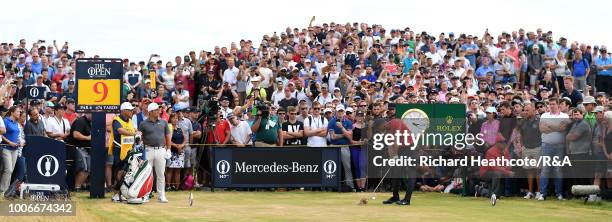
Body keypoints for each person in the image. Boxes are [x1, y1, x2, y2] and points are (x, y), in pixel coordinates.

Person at [138, 102, 171, 203]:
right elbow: (140, 138)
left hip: (161, 150)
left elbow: (168, 136)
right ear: (150, 112)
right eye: (156, 110)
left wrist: (168, 149)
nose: (158, 111)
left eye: (158, 110)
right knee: (146, 174)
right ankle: (146, 194)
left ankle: (161, 195)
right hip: (148, 150)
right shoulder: (143, 123)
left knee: (161, 174)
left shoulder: (164, 122)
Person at [538, 97, 570, 201]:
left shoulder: (564, 116)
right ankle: (542, 193)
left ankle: (559, 194)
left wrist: (550, 126)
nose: (551, 106)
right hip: (546, 145)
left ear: (558, 105)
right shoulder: (544, 115)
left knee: (558, 170)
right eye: (550, 104)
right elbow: (542, 129)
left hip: (559, 146)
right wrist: (556, 127)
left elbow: (563, 128)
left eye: (553, 104)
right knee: (545, 170)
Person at [109, 102, 138, 202]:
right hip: (119, 150)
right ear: (123, 111)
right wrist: (133, 133)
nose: (132, 111)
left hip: (129, 150)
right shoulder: (116, 120)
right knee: (119, 171)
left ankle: (124, 192)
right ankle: (116, 194)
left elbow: (134, 130)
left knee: (127, 173)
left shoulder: (130, 121)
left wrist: (135, 133)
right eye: (129, 110)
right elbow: (120, 130)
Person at [518, 102, 542, 199]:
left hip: (537, 148)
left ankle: (539, 192)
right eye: (525, 110)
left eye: (528, 110)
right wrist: (522, 146)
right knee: (529, 171)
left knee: (537, 170)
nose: (526, 112)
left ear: (534, 110)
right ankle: (530, 192)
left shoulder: (539, 121)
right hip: (526, 149)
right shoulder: (523, 121)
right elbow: (521, 135)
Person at [328, 105, 354, 191]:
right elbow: (333, 137)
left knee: (347, 167)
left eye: (342, 111)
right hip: (334, 147)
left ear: (344, 112)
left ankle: (350, 186)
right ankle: (331, 186)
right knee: (332, 167)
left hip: (344, 146)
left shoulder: (348, 122)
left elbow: (350, 136)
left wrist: (342, 128)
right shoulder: (332, 122)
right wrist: (345, 134)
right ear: (336, 112)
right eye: (339, 111)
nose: (340, 113)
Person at [0, 106, 24, 193]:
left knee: (10, 170)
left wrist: (20, 141)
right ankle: (3, 191)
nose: (19, 113)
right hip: (6, 147)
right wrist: (9, 142)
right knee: (8, 169)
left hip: (15, 149)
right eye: (18, 111)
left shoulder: (16, 123)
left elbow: (18, 135)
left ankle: (5, 190)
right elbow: (1, 134)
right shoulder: (5, 121)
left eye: (20, 112)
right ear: (12, 112)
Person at [67, 113, 92, 191]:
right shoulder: (80, 121)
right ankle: (77, 187)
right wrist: (88, 138)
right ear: (89, 113)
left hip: (86, 149)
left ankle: (80, 186)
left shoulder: (89, 122)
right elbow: (76, 134)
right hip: (77, 148)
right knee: (83, 167)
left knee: (88, 168)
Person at [167, 113, 186, 191]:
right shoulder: (168, 128)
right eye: (173, 118)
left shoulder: (180, 129)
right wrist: (176, 146)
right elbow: (168, 140)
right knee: (170, 170)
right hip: (171, 151)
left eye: (176, 118)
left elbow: (185, 139)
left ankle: (176, 187)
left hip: (180, 152)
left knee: (178, 171)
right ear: (170, 119)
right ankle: (168, 186)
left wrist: (181, 146)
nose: (175, 119)